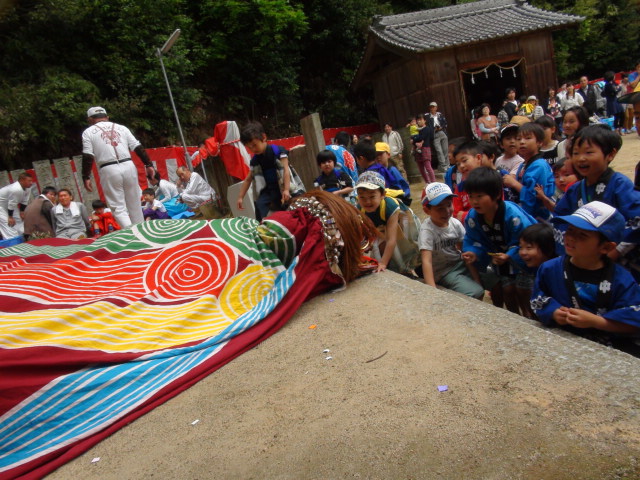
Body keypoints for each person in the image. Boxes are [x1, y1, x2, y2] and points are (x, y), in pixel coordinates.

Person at [532, 201, 640, 335]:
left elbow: (634, 321)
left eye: (582, 235)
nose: (570, 237)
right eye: (570, 229)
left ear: (606, 247)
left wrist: (597, 322)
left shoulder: (622, 281)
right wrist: (553, 312)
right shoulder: (549, 268)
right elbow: (538, 297)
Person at [554, 125, 640, 253]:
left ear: (610, 154)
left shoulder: (619, 184)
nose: (581, 158)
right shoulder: (575, 189)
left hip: (614, 259)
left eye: (588, 152)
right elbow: (560, 216)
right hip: (583, 256)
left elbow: (637, 220)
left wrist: (616, 251)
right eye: (576, 153)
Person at [461, 167, 536, 314]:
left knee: (524, 290)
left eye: (480, 196)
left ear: (496, 194)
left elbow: (528, 239)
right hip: (499, 260)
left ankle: (531, 317)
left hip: (522, 258)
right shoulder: (472, 217)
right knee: (507, 289)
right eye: (471, 196)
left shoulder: (512, 214)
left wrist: (510, 255)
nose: (474, 201)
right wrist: (473, 253)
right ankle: (514, 318)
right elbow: (473, 240)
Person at [81, 106, 154, 228]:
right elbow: (137, 146)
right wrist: (148, 164)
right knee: (135, 203)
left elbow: (88, 155)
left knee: (118, 207)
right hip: (128, 165)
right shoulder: (122, 128)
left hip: (108, 168)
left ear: (90, 119)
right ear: (107, 117)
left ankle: (132, 235)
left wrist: (86, 176)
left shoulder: (88, 132)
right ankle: (142, 232)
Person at [419, 182, 484, 299]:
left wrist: (476, 278)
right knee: (476, 292)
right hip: (444, 272)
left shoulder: (455, 223)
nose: (447, 211)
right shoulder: (427, 231)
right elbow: (426, 261)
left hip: (459, 263)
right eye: (440, 208)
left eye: (449, 205)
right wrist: (432, 291)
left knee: (493, 280)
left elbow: (465, 252)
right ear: (427, 210)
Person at [356, 171, 420, 275]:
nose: (367, 202)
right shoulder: (359, 208)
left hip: (402, 222)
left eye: (372, 197)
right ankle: (392, 266)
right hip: (380, 224)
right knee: (378, 244)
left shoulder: (390, 206)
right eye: (362, 197)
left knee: (407, 247)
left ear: (382, 195)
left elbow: (391, 240)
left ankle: (407, 268)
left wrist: (383, 263)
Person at [237, 122, 299, 221]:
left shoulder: (278, 151)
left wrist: (286, 189)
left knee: (296, 202)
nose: (253, 149)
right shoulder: (255, 160)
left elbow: (286, 170)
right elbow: (248, 179)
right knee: (260, 204)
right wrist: (240, 197)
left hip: (283, 185)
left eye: (254, 145)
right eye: (250, 147)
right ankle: (262, 225)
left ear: (264, 137)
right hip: (268, 190)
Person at [502, 123, 555, 222]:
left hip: (539, 218)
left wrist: (514, 183)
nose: (522, 142)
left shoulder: (539, 165)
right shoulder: (524, 164)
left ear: (539, 142)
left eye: (527, 138)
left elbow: (534, 196)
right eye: (519, 139)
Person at [516, 223, 556, 319]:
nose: (522, 252)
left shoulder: (556, 273)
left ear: (547, 248)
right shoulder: (535, 269)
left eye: (529, 248)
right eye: (521, 247)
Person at [495, 124, 524, 203]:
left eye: (516, 138)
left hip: (513, 199)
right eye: (508, 138)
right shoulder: (498, 160)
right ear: (501, 144)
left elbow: (510, 180)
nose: (512, 141)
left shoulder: (519, 161)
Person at [0, 172, 33, 240]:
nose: (31, 183)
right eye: (29, 181)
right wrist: (10, 217)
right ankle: (11, 241)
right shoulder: (16, 189)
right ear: (22, 180)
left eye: (31, 181)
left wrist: (22, 211)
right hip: (1, 206)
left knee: (19, 221)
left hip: (11, 206)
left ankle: (22, 238)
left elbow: (24, 201)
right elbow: (11, 204)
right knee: (8, 224)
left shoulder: (28, 188)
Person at [412, 113, 435, 184]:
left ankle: (433, 182)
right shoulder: (416, 130)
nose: (419, 121)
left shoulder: (426, 129)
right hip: (417, 150)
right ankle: (427, 182)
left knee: (428, 167)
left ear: (424, 120)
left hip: (425, 149)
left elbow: (421, 137)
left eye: (421, 119)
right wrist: (414, 139)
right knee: (421, 168)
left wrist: (414, 139)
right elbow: (413, 139)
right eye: (418, 120)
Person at [427, 102, 450, 172]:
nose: (432, 108)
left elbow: (445, 123)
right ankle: (443, 166)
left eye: (433, 107)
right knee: (439, 151)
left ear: (436, 107)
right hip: (434, 134)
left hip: (442, 132)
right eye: (431, 107)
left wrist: (441, 127)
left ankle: (447, 165)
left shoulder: (440, 114)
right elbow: (427, 125)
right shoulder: (427, 116)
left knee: (445, 149)